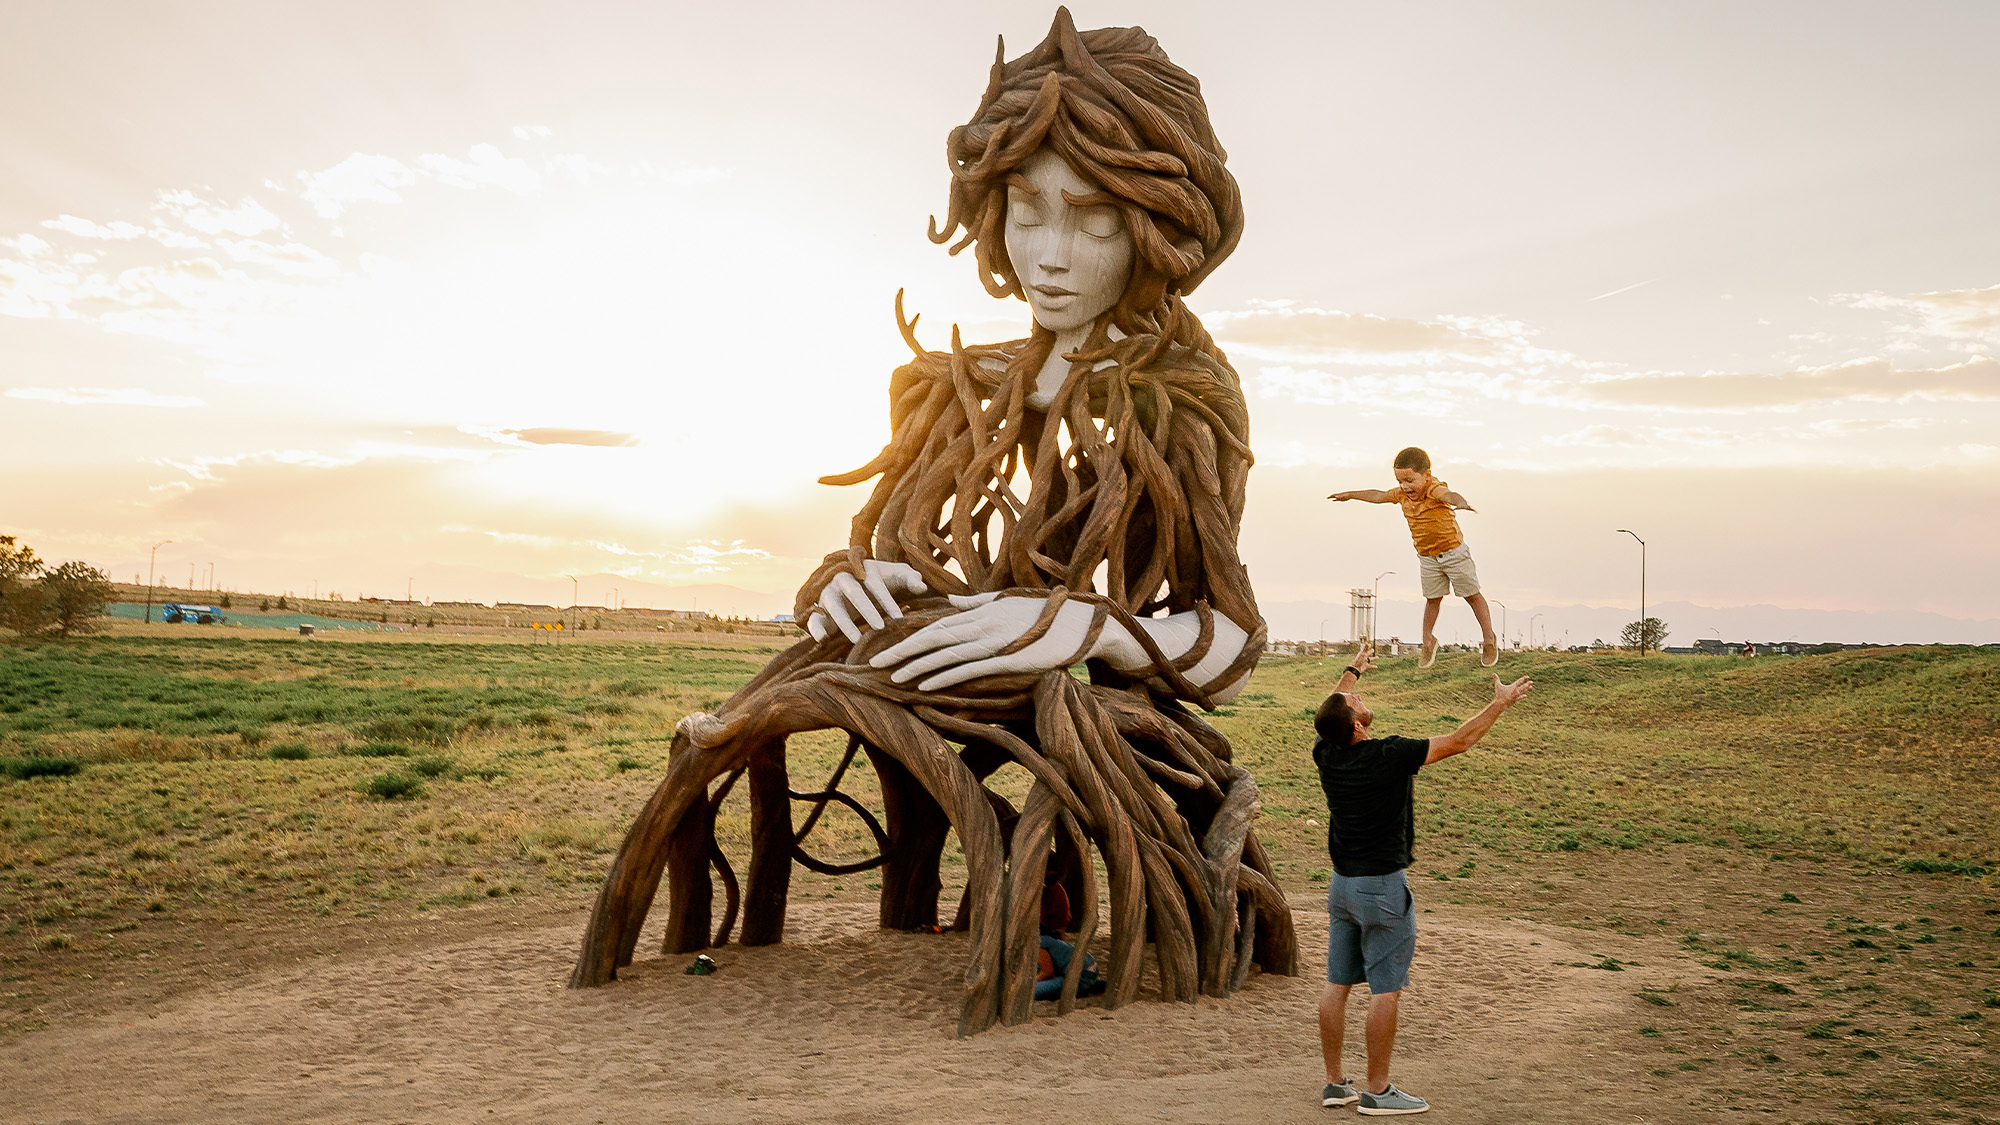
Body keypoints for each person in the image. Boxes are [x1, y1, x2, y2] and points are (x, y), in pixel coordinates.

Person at [574, 11, 1297, 1034]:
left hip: (1079, 705)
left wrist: (1070, 626)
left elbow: (1226, 643)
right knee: (733, 734)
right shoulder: (942, 388)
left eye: (1091, 220)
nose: (1048, 254)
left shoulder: (1182, 398)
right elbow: (873, 545)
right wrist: (842, 580)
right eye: (1022, 209)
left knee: (1051, 768)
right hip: (918, 669)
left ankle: (1064, 942)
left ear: (1156, 223)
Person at [1311, 643, 1533, 1115]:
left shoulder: (1327, 753)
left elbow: (1330, 711)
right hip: (1382, 890)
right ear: (1356, 725)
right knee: (1385, 988)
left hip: (1342, 887)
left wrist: (1352, 671)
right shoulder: (1388, 755)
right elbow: (1458, 742)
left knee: (1336, 983)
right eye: (1354, 703)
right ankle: (1377, 1090)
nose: (1355, 698)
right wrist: (1501, 702)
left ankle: (1335, 1084)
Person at [1329, 447, 1499, 668]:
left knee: (1472, 596)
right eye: (1400, 481)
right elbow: (1378, 495)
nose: (1405, 486)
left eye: (1410, 480)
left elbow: (1449, 495)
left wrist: (1460, 502)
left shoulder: (1434, 489)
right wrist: (1351, 494)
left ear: (1426, 475)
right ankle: (1428, 641)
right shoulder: (1401, 494)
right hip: (1427, 557)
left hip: (1455, 554)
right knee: (1433, 599)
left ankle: (1489, 639)